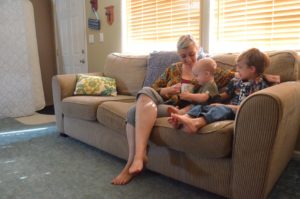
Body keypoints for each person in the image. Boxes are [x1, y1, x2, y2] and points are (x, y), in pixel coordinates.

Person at [111, 35, 204, 185]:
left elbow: (215, 93)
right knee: (146, 91)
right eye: (183, 56)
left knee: (133, 112)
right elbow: (153, 90)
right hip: (164, 104)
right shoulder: (173, 69)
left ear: (198, 49)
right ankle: (138, 157)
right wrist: (168, 90)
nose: (188, 59)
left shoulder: (205, 69)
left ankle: (132, 163)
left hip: (179, 110)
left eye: (192, 54)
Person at [169, 48, 270, 134]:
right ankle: (184, 118)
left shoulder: (259, 86)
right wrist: (212, 99)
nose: (237, 70)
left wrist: (223, 106)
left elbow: (249, 107)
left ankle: (196, 123)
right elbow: (225, 95)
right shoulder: (236, 81)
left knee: (220, 109)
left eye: (240, 67)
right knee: (201, 106)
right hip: (228, 108)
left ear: (252, 69)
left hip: (238, 112)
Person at [167, 57, 219, 122]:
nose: (195, 78)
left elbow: (204, 97)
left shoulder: (211, 84)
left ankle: (180, 113)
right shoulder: (203, 85)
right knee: (191, 105)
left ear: (206, 74)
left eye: (197, 75)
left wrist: (189, 95)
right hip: (201, 108)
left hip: (208, 110)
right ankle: (179, 112)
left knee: (194, 106)